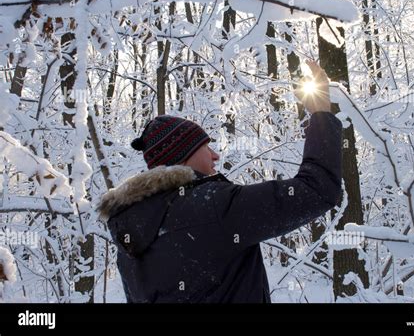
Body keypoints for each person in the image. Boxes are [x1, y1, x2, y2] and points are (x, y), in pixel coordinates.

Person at [97, 61, 342, 303]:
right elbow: (316, 189)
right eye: (205, 146)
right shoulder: (213, 206)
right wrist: (321, 115)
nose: (215, 155)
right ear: (182, 157)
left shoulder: (128, 236)